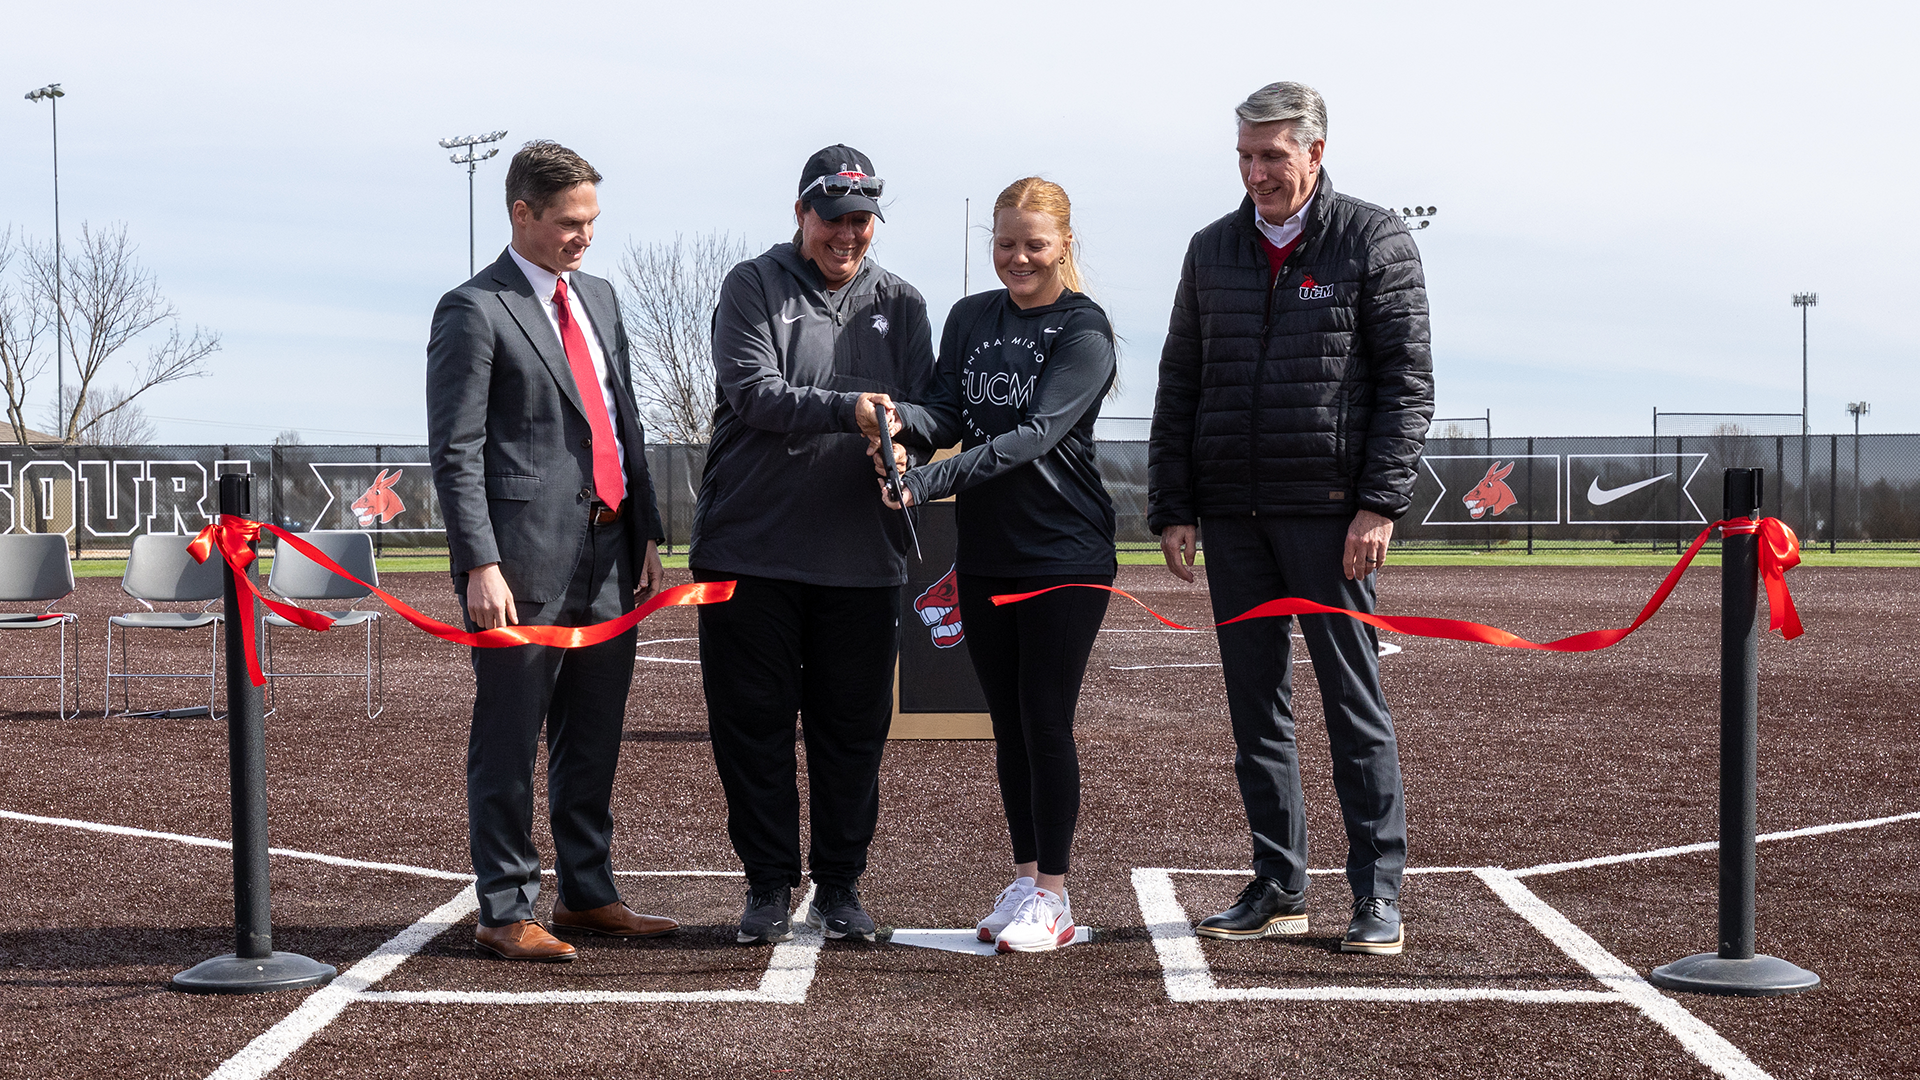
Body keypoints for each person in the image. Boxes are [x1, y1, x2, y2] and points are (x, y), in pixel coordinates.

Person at [1147, 82, 1433, 955]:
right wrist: (1174, 506)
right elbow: (1180, 383)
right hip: (1234, 516)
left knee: (1354, 704)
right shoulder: (1211, 249)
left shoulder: (1374, 238)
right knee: (1255, 709)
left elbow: (1406, 385)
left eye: (1273, 154)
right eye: (1245, 153)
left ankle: (1376, 892)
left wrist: (1380, 502)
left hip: (1331, 515)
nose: (1257, 171)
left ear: (1316, 151)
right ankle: (1279, 883)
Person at [427, 140, 676, 962]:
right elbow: (455, 451)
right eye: (570, 222)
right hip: (520, 563)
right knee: (508, 738)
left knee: (593, 734)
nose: (585, 237)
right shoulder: (473, 309)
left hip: (613, 555)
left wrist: (648, 534)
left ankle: (588, 894)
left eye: (593, 221)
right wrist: (480, 563)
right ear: (521, 214)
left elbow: (625, 424)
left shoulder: (601, 299)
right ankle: (503, 906)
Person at [691, 145, 935, 945]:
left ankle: (840, 885)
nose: (848, 234)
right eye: (834, 217)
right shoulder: (751, 285)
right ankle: (766, 885)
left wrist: (904, 428)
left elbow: (933, 414)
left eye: (862, 220)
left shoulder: (904, 302)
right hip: (750, 550)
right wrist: (861, 410)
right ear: (802, 212)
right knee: (751, 724)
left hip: (862, 557)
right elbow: (755, 394)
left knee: (852, 731)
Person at [884, 177, 1117, 953]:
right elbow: (948, 411)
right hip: (986, 552)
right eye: (1005, 242)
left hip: (1064, 552)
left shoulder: (1085, 331)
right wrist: (892, 422)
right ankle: (1026, 877)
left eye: (1034, 244)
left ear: (1065, 245)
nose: (1017, 257)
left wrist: (928, 479)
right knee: (1009, 725)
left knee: (1045, 719)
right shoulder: (971, 316)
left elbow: (1034, 437)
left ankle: (1055, 892)